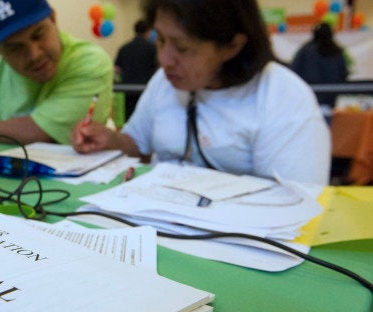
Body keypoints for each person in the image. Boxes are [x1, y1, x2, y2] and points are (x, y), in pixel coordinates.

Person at [71, 0, 331, 185]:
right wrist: (108, 139)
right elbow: (138, 143)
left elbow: (298, 202)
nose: (164, 60)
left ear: (232, 45)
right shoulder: (164, 82)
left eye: (182, 48)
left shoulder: (281, 96)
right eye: (160, 40)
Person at [0, 0, 113, 145]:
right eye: (15, 47)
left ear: (53, 19)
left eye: (38, 35)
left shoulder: (89, 61)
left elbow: (40, 131)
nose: (35, 54)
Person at [291, 22, 349, 108]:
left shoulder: (305, 50)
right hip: (330, 100)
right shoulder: (336, 51)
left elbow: (294, 70)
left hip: (308, 98)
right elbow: (343, 73)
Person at [114, 19, 158, 120]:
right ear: (147, 32)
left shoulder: (124, 48)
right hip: (146, 89)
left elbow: (117, 69)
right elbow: (157, 68)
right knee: (145, 119)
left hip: (127, 89)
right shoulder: (152, 48)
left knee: (130, 118)